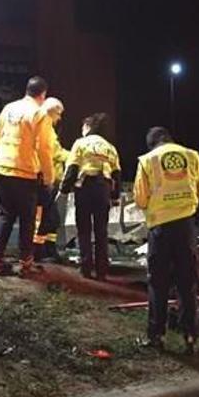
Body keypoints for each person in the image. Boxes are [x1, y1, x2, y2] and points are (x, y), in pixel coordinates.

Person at [133, 127, 199, 354]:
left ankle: (156, 336)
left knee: (158, 284)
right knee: (187, 283)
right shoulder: (192, 155)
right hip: (186, 228)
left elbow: (140, 199)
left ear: (152, 144)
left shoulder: (147, 160)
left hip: (160, 229)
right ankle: (190, 337)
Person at [0, 76, 56, 274]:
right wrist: (49, 177)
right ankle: (26, 263)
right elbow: (44, 149)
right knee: (27, 218)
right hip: (25, 173)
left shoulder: (9, 108)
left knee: (6, 215)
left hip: (2, 168)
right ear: (43, 95)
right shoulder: (40, 113)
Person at [60, 113, 121, 280]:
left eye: (83, 127)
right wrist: (115, 196)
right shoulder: (109, 147)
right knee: (101, 230)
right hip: (103, 189)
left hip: (85, 187)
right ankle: (102, 270)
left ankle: (86, 268)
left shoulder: (80, 143)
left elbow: (72, 168)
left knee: (84, 229)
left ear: (87, 127)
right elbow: (116, 173)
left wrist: (64, 190)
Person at [33, 97, 70, 262]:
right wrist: (75, 156)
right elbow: (55, 152)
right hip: (45, 180)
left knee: (51, 218)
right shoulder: (45, 128)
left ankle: (48, 249)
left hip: (50, 180)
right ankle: (40, 251)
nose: (59, 118)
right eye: (58, 114)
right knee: (47, 218)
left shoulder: (46, 128)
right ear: (51, 111)